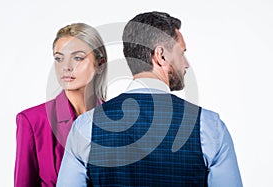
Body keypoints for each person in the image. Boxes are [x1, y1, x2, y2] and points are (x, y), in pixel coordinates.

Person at [57, 11, 242, 187]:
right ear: (161, 55)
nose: (185, 64)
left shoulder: (86, 126)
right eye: (182, 53)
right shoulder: (208, 126)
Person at [14, 23, 108, 187]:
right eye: (59, 58)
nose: (66, 67)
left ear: (100, 64)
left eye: (78, 58)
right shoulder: (33, 121)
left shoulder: (118, 119)